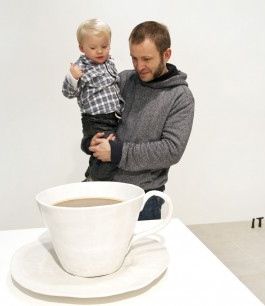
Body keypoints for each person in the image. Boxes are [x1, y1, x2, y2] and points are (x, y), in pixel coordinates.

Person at [85, 21, 195, 220]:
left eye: (146, 59)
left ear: (166, 54)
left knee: (141, 252)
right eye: (134, 58)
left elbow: (171, 151)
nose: (139, 66)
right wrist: (90, 141)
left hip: (144, 199)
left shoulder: (180, 97)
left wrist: (118, 153)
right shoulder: (124, 80)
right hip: (102, 186)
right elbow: (98, 114)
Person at [62, 18, 124, 181]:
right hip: (96, 120)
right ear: (82, 48)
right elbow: (68, 93)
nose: (100, 51)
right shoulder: (80, 67)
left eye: (104, 46)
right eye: (93, 47)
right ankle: (94, 180)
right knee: (107, 153)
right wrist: (73, 78)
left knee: (109, 151)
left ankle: (93, 174)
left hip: (114, 118)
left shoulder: (109, 62)